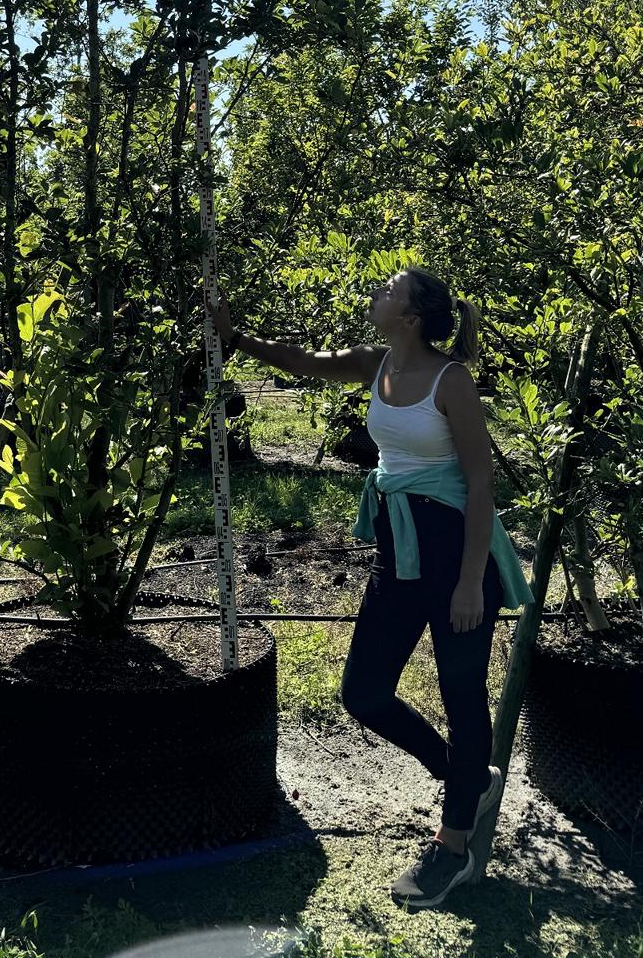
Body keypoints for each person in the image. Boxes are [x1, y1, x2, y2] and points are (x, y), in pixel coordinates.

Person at [209, 267, 532, 910]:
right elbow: (302, 359)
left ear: (412, 318)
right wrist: (236, 338)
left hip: (454, 556)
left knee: (460, 692)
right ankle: (462, 775)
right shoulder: (376, 364)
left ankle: (453, 847)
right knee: (362, 691)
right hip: (400, 549)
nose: (376, 292)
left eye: (389, 289)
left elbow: (480, 484)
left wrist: (471, 582)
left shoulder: (452, 382)